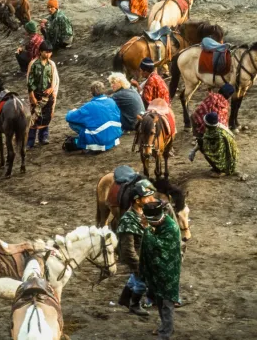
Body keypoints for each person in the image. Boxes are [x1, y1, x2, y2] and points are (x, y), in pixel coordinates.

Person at [139, 200, 182, 340]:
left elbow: (159, 246)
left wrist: (146, 229)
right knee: (159, 300)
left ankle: (165, 334)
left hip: (168, 273)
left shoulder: (171, 228)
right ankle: (165, 327)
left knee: (167, 303)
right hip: (157, 272)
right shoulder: (160, 225)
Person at [117, 180, 156, 316]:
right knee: (142, 281)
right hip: (139, 258)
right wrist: (139, 266)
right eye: (147, 197)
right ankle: (134, 304)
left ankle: (124, 298)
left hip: (146, 255)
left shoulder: (143, 214)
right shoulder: (128, 220)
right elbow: (128, 249)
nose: (151, 200)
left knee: (135, 278)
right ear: (137, 201)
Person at [65, 81, 122, 152]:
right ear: (104, 90)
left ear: (92, 92)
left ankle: (89, 143)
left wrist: (72, 111)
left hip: (101, 140)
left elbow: (69, 117)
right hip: (115, 136)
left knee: (73, 123)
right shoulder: (111, 101)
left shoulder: (89, 106)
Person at [27, 41, 59, 148]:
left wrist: (51, 88)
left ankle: (43, 137)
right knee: (34, 117)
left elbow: (54, 79)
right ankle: (30, 141)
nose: (48, 55)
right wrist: (31, 95)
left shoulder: (51, 64)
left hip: (47, 96)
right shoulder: (34, 64)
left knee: (46, 116)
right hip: (36, 95)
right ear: (40, 52)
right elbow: (30, 81)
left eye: (50, 52)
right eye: (46, 52)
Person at [192, 112, 238, 176]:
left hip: (227, 159)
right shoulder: (214, 129)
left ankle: (222, 170)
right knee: (203, 146)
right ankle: (217, 167)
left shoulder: (219, 135)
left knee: (205, 150)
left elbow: (219, 152)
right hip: (224, 155)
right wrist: (194, 150)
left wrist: (202, 145)